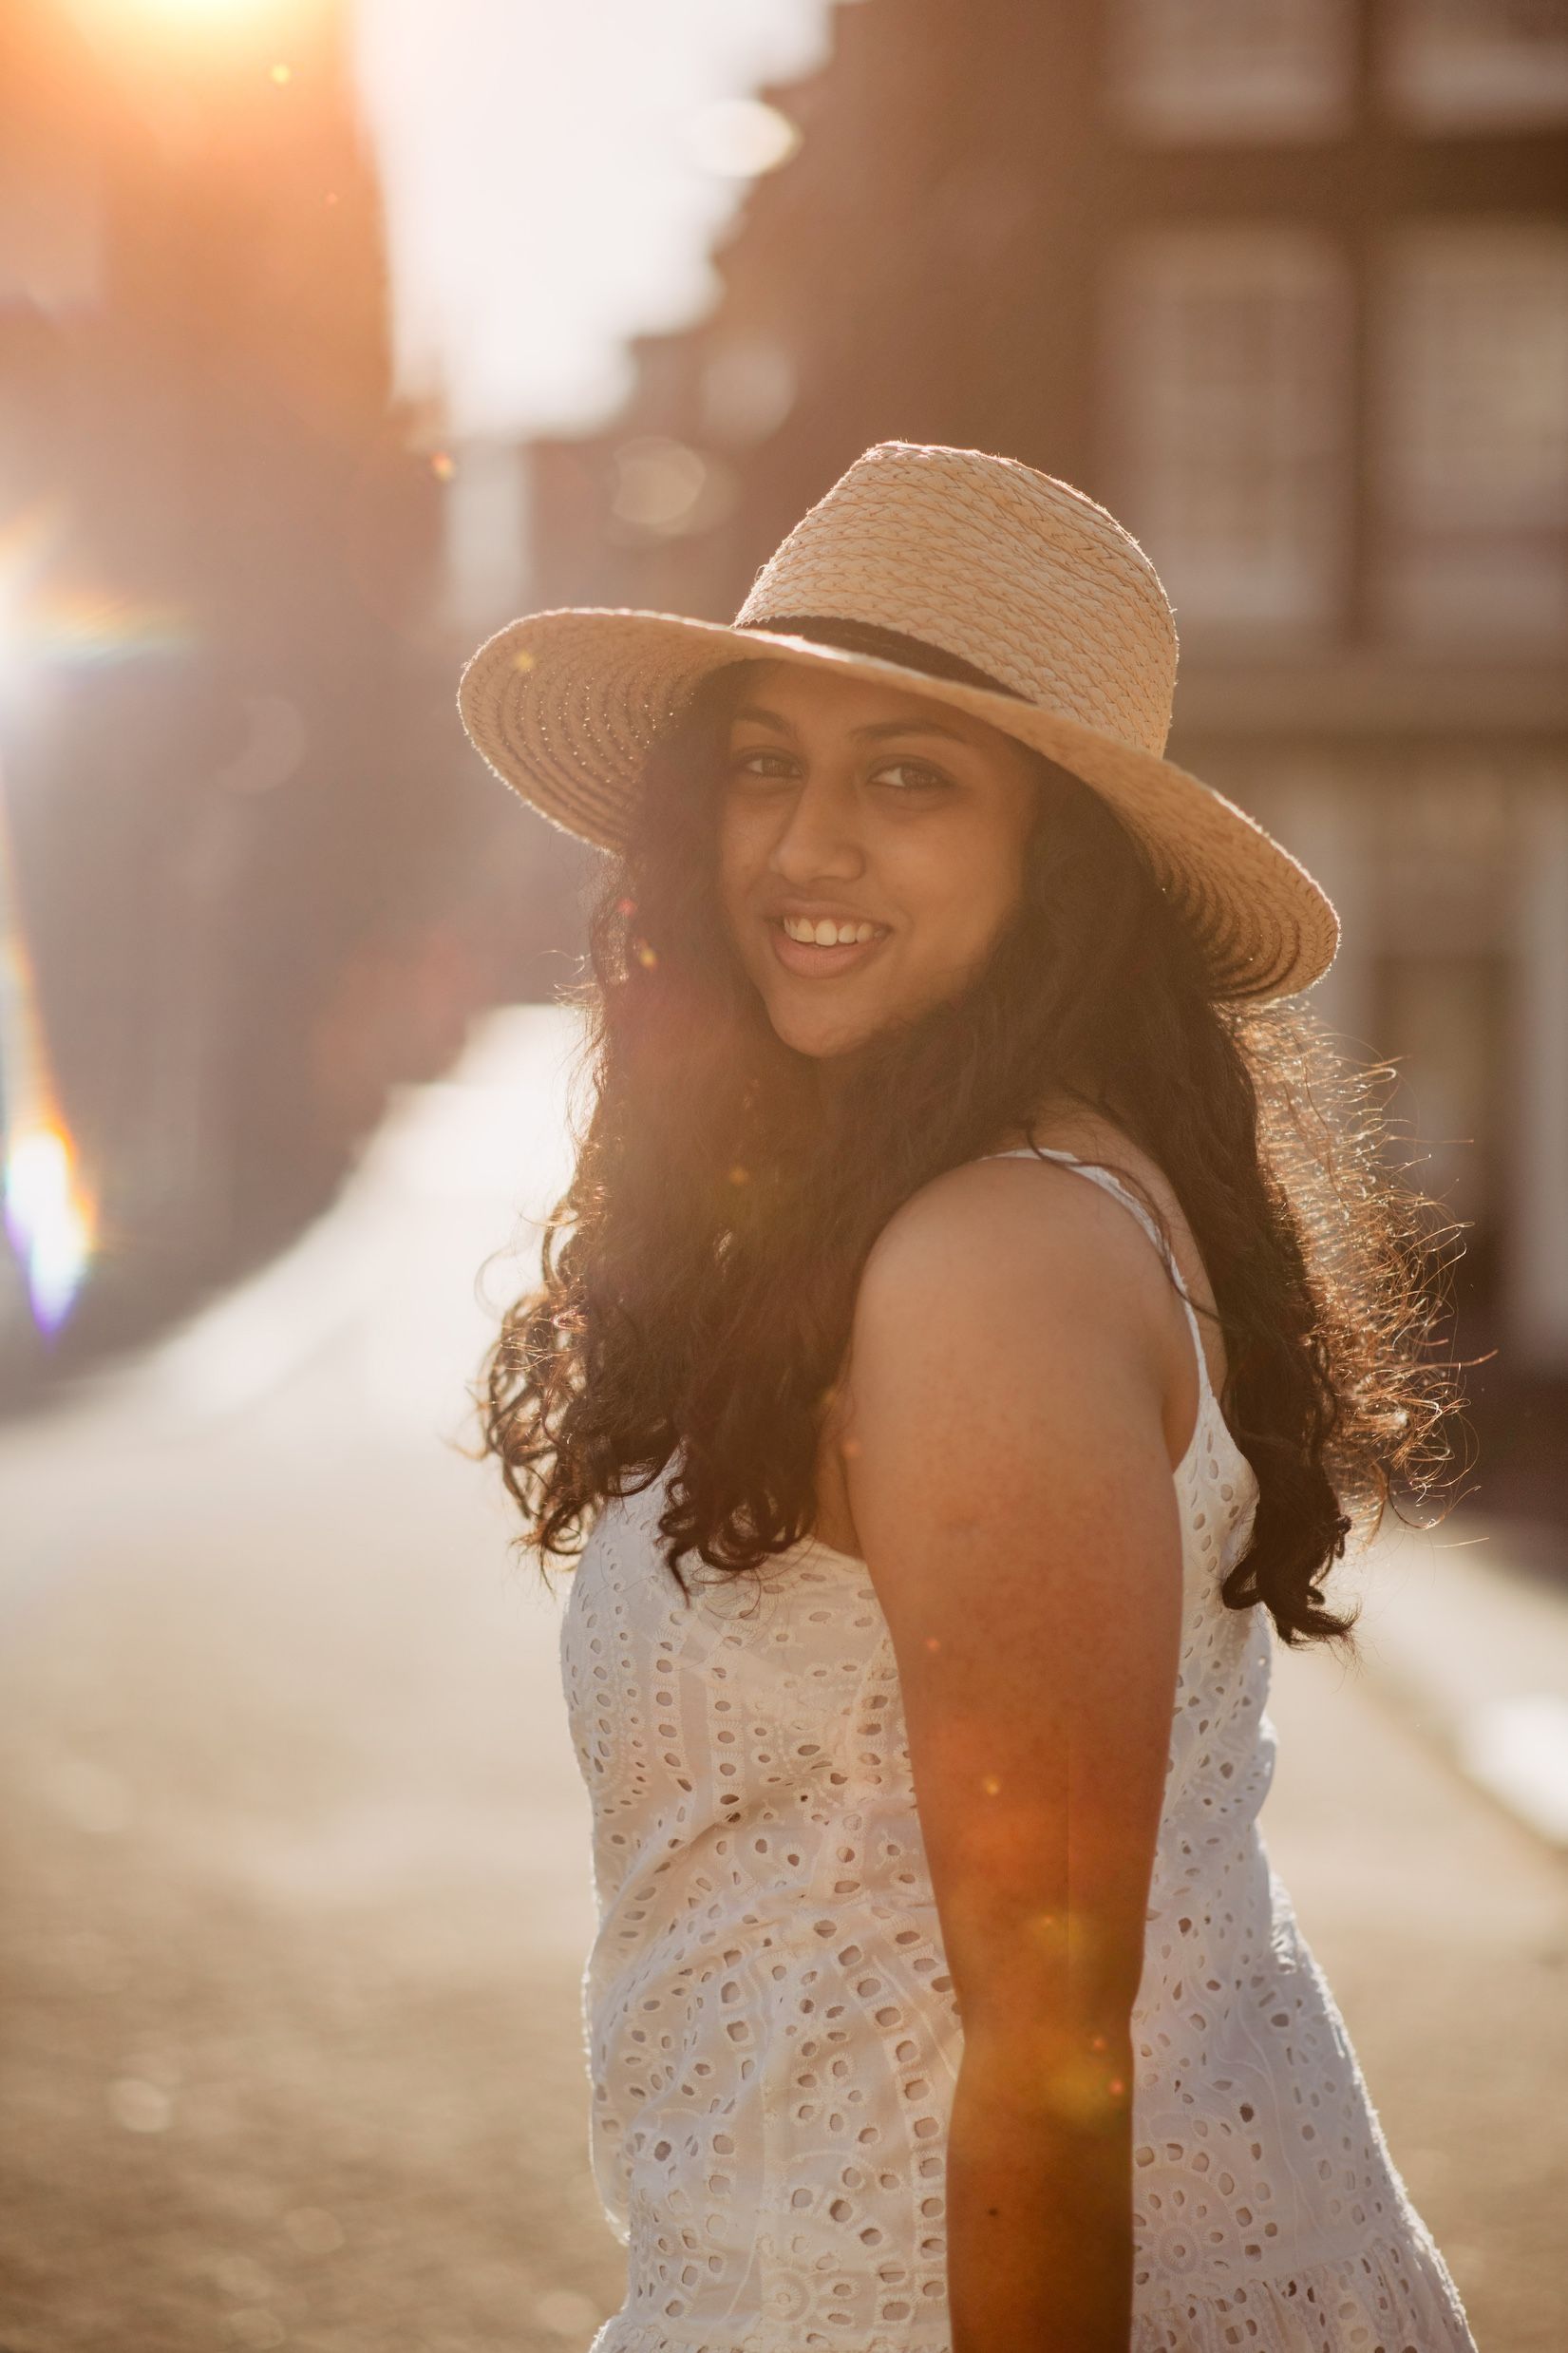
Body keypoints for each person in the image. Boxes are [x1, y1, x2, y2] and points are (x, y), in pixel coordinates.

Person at [458, 444, 1480, 2352]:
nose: (802, 845)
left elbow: (1046, 2045)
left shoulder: (989, 1261)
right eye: (764, 760)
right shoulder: (925, 1209)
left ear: (1059, 865)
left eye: (907, 778)